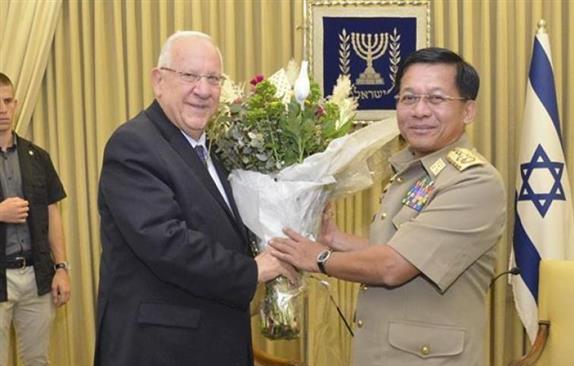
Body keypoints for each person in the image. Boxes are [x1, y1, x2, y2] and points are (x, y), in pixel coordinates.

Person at [270, 47, 506, 365]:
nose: (419, 111)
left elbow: (393, 266)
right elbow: (399, 249)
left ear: (468, 111)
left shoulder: (474, 182)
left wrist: (320, 258)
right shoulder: (411, 172)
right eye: (408, 98)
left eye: (436, 99)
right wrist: (335, 240)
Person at [94, 31, 296, 366]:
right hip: (160, 348)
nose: (203, 90)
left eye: (213, 79)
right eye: (190, 76)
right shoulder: (134, 144)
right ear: (158, 81)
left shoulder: (216, 148)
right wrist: (251, 270)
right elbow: (166, 243)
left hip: (211, 339)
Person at [0, 72, 71, 365]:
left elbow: (53, 213)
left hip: (36, 276)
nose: (2, 110)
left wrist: (62, 268)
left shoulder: (38, 156)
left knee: (38, 360)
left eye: (7, 101)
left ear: (15, 104)